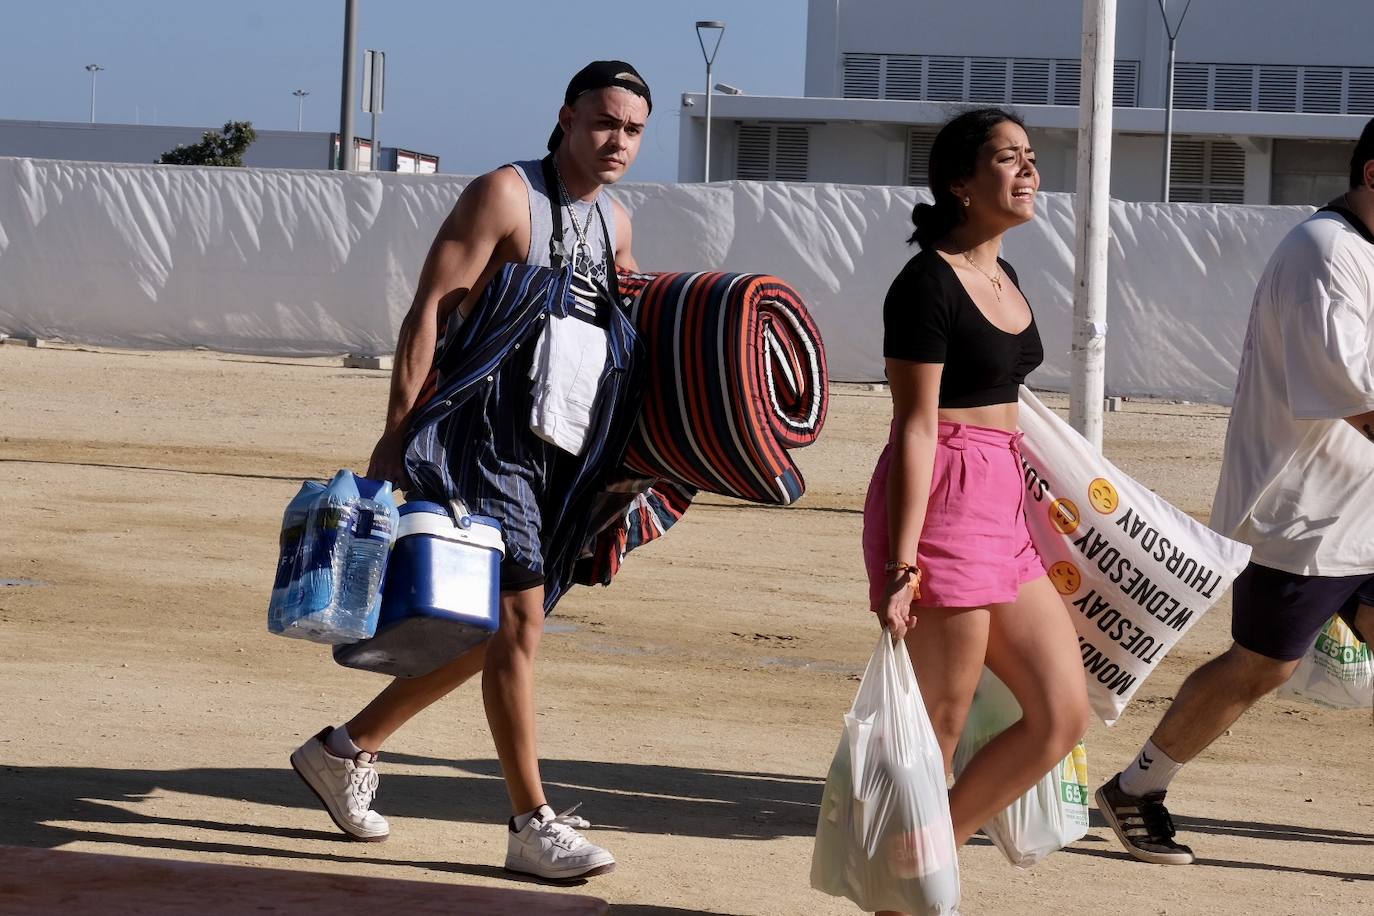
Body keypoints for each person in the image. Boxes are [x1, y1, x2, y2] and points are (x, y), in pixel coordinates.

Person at [288, 60, 653, 881]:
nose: (616, 140)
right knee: (518, 625)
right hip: (477, 437)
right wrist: (394, 440)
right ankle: (531, 823)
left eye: (632, 129)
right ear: (564, 117)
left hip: (557, 451)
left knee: (489, 626)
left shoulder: (618, 225)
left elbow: (616, 349)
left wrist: (626, 467)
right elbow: (431, 310)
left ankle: (346, 749)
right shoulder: (504, 195)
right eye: (602, 122)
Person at [1096, 117, 1374, 866]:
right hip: (1303, 509)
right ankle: (1137, 788)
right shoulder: (1324, 254)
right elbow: (1357, 395)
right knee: (1262, 664)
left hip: (1366, 506)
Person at [862, 107, 1090, 915]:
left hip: (1004, 499)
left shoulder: (1010, 277)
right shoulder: (924, 283)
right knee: (940, 724)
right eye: (1008, 159)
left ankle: (922, 855)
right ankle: (911, 894)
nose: (1029, 171)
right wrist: (902, 563)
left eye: (1031, 157)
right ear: (962, 182)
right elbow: (916, 427)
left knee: (1063, 712)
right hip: (946, 496)